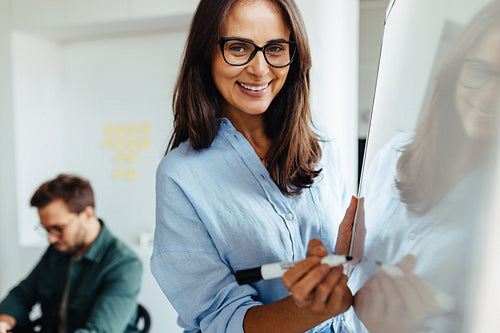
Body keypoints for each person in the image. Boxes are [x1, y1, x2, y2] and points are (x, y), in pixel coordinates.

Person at [150, 0, 359, 332]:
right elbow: (218, 317)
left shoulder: (324, 148)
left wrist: (358, 262)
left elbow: (352, 269)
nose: (260, 69)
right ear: (206, 53)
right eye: (238, 47)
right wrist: (309, 310)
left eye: (275, 48)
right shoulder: (180, 176)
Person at [343, 1, 500, 332]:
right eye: (478, 70)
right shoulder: (395, 153)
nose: (488, 95)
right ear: (456, 70)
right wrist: (342, 260)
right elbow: (354, 266)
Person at [0, 174, 143, 333]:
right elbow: (23, 293)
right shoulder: (58, 250)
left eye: (59, 228)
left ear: (88, 214)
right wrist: (4, 321)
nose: (51, 238)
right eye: (46, 229)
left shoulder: (125, 264)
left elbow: (99, 331)